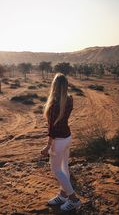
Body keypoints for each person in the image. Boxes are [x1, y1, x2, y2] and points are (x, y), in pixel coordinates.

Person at [41, 73, 81, 211]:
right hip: (67, 138)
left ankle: (73, 199)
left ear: (54, 86)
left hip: (58, 141)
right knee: (64, 168)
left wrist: (47, 146)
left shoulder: (53, 104)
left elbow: (52, 128)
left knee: (56, 169)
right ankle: (63, 195)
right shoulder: (69, 99)